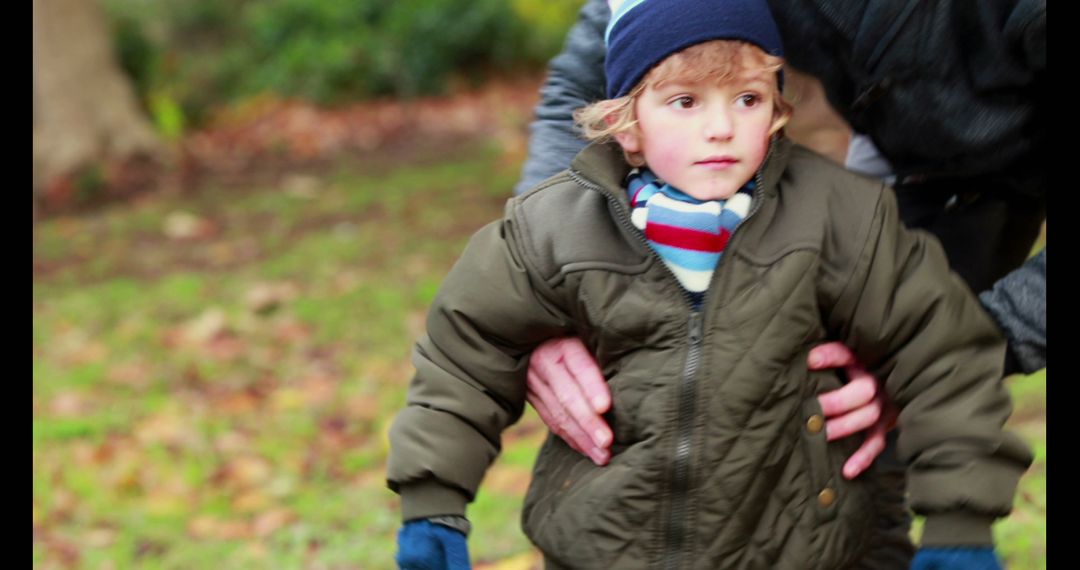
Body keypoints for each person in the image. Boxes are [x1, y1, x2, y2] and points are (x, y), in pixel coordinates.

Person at [387, 1, 1032, 567]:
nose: (720, 127)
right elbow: (465, 355)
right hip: (605, 547)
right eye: (686, 102)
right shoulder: (556, 229)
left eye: (747, 99)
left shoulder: (840, 219)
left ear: (777, 110)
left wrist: (960, 525)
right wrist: (432, 500)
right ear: (627, 124)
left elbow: (944, 353)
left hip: (799, 545)